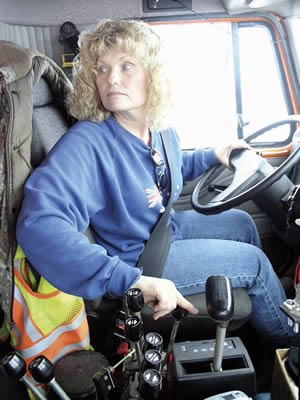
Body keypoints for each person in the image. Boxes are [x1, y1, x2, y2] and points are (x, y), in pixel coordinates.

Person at [16, 18, 296, 348]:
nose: (112, 79)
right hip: (137, 260)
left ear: (154, 73)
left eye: (127, 66)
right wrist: (130, 280)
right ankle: (289, 340)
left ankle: (267, 300)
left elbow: (169, 167)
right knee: (256, 264)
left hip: (162, 230)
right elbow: (39, 225)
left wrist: (213, 154)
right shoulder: (89, 143)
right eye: (102, 69)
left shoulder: (159, 129)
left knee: (242, 223)